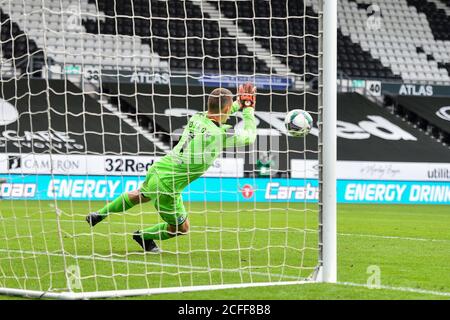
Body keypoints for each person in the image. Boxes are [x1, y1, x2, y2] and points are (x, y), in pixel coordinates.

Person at [86, 83, 257, 252]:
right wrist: (248, 108)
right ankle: (142, 236)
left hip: (160, 168)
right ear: (227, 109)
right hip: (168, 185)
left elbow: (220, 111)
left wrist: (239, 103)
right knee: (181, 228)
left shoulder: (198, 117)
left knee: (139, 195)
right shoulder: (221, 134)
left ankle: (99, 214)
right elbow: (249, 136)